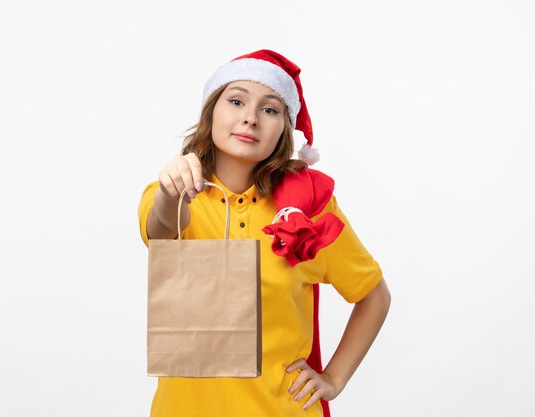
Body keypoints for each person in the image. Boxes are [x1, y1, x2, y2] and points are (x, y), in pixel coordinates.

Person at [138, 49, 391, 417]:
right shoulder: (174, 197)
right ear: (211, 113)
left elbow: (373, 296)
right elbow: (158, 232)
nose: (250, 118)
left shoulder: (309, 210)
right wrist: (169, 191)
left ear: (284, 128)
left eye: (270, 109)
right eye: (236, 100)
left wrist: (333, 379)